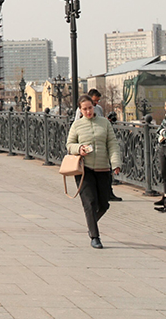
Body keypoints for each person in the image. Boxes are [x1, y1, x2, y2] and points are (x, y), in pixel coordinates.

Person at [66, 94, 121, 249]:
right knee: (89, 202)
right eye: (85, 109)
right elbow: (69, 144)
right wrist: (79, 148)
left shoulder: (104, 123)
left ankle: (91, 224)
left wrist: (116, 163)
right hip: (84, 169)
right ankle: (95, 236)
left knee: (104, 204)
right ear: (80, 110)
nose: (88, 111)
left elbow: (112, 144)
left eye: (90, 108)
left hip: (103, 168)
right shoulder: (77, 125)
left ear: (94, 107)